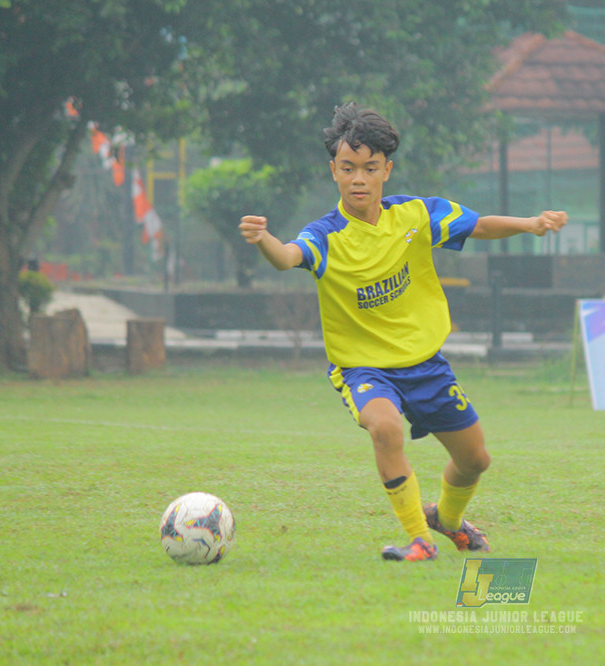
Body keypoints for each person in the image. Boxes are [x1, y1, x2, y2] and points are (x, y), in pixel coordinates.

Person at [239, 103, 567, 563]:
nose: (358, 179)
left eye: (370, 168)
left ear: (386, 171)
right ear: (333, 170)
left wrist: (530, 224)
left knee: (476, 460)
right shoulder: (325, 235)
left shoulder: (415, 216)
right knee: (385, 428)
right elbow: (288, 257)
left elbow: (478, 225)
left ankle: (447, 521)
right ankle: (420, 539)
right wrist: (264, 242)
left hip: (425, 365)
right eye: (348, 168)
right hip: (364, 367)